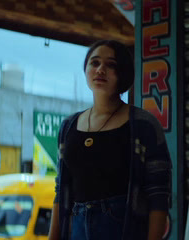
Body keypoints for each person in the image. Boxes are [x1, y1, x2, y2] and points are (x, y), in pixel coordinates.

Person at [48, 40, 172, 240]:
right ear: (86, 69)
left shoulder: (143, 125)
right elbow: (61, 190)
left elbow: (158, 194)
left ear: (122, 73)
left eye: (111, 64)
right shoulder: (68, 128)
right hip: (77, 229)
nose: (100, 69)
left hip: (123, 229)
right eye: (94, 63)